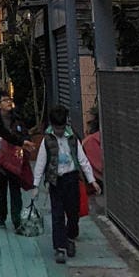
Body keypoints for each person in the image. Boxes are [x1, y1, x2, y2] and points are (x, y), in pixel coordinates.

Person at [32, 104, 99, 264]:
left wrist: (92, 180)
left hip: (71, 179)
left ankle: (70, 237)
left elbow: (82, 160)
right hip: (56, 181)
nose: (59, 131)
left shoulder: (72, 138)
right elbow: (40, 163)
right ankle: (59, 248)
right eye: (57, 128)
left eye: (61, 128)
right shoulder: (47, 140)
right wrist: (35, 185)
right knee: (57, 216)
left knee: (73, 214)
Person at [0, 90, 30, 233]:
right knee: (1, 189)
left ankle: (17, 220)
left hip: (15, 161)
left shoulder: (17, 119)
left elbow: (25, 135)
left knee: (15, 190)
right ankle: (0, 216)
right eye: (5, 100)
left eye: (9, 100)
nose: (8, 102)